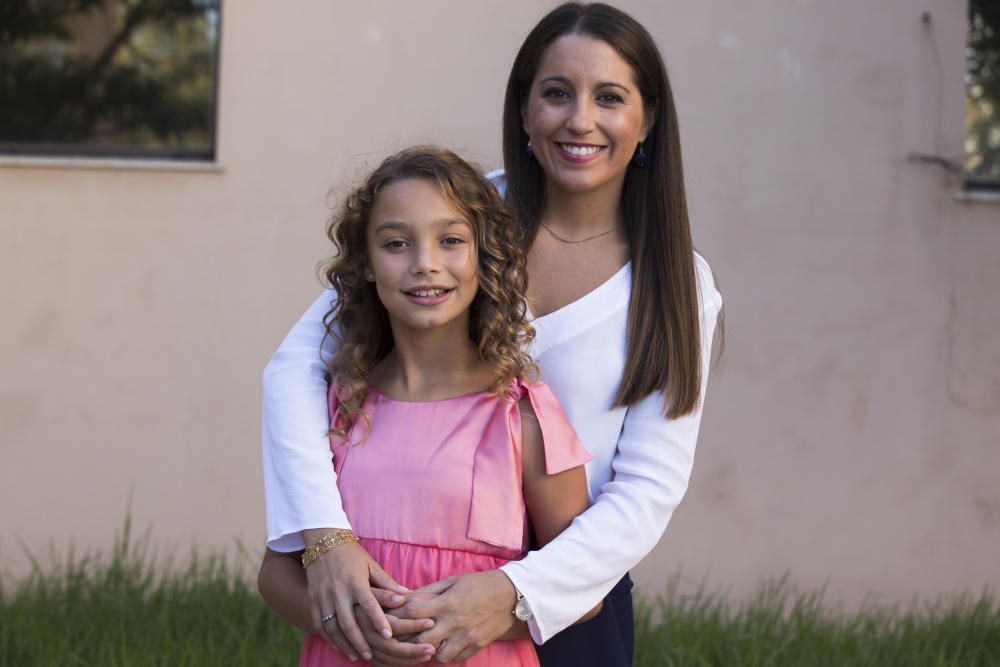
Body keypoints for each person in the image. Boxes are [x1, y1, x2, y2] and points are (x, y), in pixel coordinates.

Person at [261, 3, 723, 666]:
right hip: (406, 573)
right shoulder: (452, 219)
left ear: (646, 119)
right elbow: (292, 370)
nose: (580, 119)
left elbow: (648, 489)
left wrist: (514, 592)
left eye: (610, 97)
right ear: (525, 110)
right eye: (556, 93)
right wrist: (328, 539)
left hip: (566, 599)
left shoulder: (674, 283)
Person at [258, 146, 597, 666]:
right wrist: (359, 632)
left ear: (484, 257)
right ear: (368, 265)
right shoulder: (334, 410)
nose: (425, 264)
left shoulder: (524, 416)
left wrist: (493, 614)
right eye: (397, 243)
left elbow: (586, 587)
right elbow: (276, 575)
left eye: (451, 241)